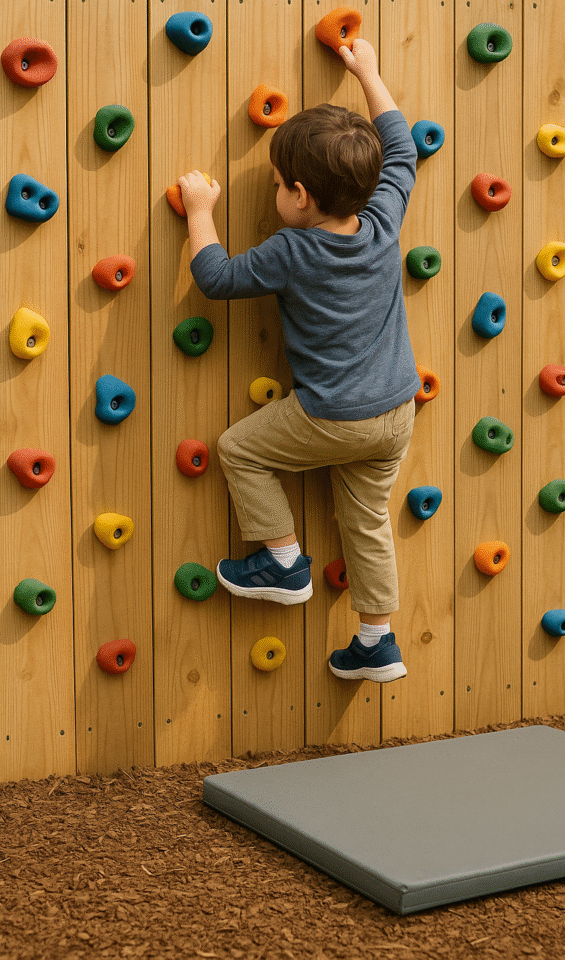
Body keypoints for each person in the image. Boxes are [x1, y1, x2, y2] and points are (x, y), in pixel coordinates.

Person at [178, 38, 419, 683]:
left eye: (281, 185)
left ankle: (283, 560)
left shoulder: (292, 251)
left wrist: (202, 211)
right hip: (396, 411)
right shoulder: (382, 220)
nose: (278, 194)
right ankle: (377, 640)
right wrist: (369, 71)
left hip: (331, 416)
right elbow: (402, 148)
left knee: (240, 448)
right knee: (367, 522)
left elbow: (217, 277)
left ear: (301, 197)